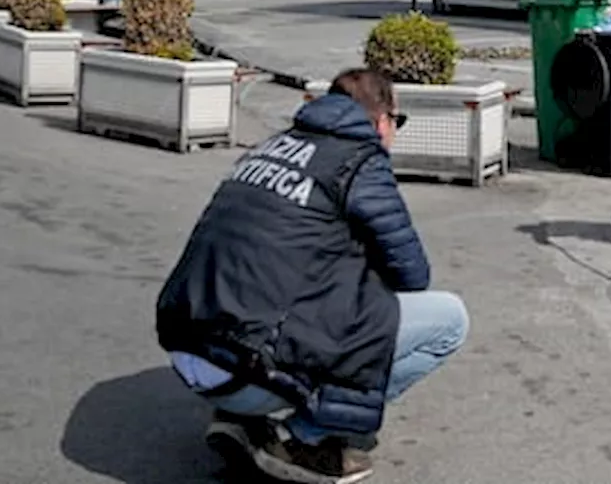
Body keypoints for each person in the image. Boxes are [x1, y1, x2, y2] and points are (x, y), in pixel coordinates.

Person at [156, 68, 470, 482]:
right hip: (244, 367)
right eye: (398, 122)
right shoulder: (360, 158)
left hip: (187, 348)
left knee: (284, 295)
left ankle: (239, 419)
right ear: (381, 121)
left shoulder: (271, 147)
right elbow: (412, 274)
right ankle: (300, 438)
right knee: (450, 319)